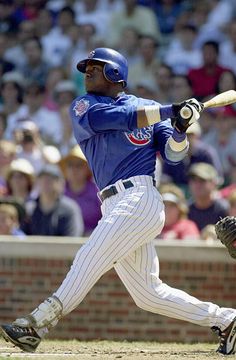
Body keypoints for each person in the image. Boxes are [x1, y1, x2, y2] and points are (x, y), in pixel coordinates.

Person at [1, 47, 236, 356]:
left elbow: (175, 155)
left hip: (139, 197)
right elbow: (120, 118)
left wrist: (180, 128)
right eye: (87, 67)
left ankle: (37, 324)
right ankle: (227, 320)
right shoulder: (85, 105)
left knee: (90, 255)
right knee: (148, 293)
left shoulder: (149, 107)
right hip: (113, 202)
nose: (86, 72)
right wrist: (170, 110)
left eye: (95, 68)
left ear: (115, 73)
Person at [58, 145, 102, 236]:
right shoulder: (59, 190)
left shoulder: (97, 191)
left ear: (88, 169)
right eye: (70, 165)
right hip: (63, 242)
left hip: (93, 241)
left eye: (79, 165)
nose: (74, 170)